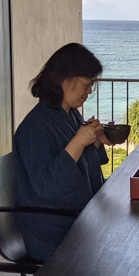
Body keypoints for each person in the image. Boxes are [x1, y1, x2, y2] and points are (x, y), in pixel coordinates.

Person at [13, 43, 111, 261]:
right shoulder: (34, 127)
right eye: (86, 84)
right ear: (65, 80)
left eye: (91, 85)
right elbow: (47, 186)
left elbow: (84, 169)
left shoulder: (70, 115)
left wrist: (94, 142)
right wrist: (78, 142)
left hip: (75, 215)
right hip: (50, 227)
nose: (89, 91)